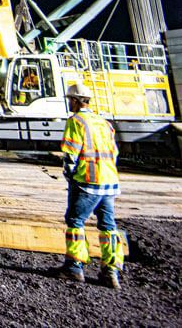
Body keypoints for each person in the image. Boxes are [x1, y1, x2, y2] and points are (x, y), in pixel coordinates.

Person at [56, 83, 124, 288]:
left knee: (75, 221)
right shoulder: (104, 122)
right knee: (108, 227)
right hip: (110, 182)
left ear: (75, 101)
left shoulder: (76, 121)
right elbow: (115, 152)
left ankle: (74, 268)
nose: (69, 103)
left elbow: (71, 153)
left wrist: (70, 176)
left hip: (87, 180)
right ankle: (111, 272)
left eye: (70, 100)